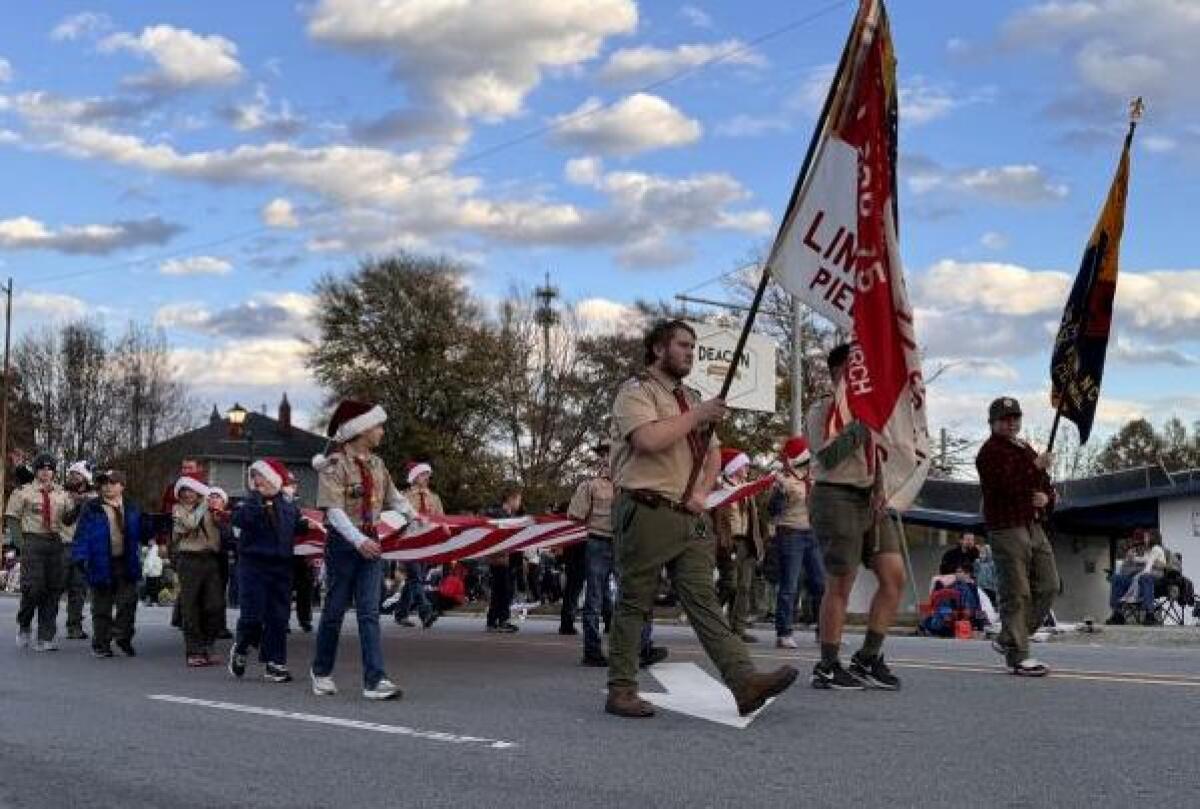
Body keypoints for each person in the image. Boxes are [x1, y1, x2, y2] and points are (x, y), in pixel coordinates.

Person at [605, 319, 798, 718]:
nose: (690, 353)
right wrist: (698, 414)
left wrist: (701, 493)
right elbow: (648, 440)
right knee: (634, 602)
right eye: (682, 346)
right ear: (659, 349)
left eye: (693, 347)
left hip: (687, 514)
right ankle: (621, 688)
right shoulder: (636, 391)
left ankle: (743, 681)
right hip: (645, 507)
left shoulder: (691, 397)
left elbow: (712, 451)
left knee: (704, 601)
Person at [806, 343, 905, 691]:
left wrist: (880, 489)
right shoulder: (823, 410)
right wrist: (862, 421)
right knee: (840, 582)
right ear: (837, 372)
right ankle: (828, 665)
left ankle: (867, 657)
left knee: (894, 577)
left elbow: (876, 456)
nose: (862, 375)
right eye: (854, 368)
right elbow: (829, 456)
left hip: (869, 501)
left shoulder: (871, 409)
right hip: (836, 496)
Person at [310, 399, 417, 701]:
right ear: (360, 430)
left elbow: (394, 498)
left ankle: (375, 679)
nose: (382, 431)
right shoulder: (334, 465)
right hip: (345, 546)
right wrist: (358, 540)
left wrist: (415, 516)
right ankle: (321, 672)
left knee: (369, 614)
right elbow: (333, 511)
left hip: (372, 545)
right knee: (334, 612)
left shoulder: (378, 464)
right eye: (378, 426)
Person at [975, 396, 1058, 677]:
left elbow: (1043, 483)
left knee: (1049, 584)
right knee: (1017, 590)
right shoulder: (988, 453)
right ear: (993, 423)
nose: (1011, 424)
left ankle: (1010, 637)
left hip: (1033, 524)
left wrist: (1046, 497)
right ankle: (1019, 655)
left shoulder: (1024, 448)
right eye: (1005, 419)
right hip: (1006, 526)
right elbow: (1005, 485)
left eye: (1015, 418)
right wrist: (1035, 466)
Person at [569, 440, 662, 668]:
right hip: (599, 542)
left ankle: (642, 649)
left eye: (610, 453)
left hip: (624, 543)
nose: (606, 458)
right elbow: (575, 515)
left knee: (633, 595)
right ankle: (593, 652)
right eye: (602, 454)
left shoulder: (632, 484)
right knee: (595, 598)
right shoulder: (591, 486)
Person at [230, 458, 310, 683]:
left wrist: (305, 526)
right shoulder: (248, 503)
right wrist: (257, 499)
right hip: (253, 565)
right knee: (252, 615)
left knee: (279, 616)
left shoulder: (288, 504)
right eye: (254, 476)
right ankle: (242, 646)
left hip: (281, 566)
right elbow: (240, 520)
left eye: (261, 476)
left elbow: (293, 526)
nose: (257, 480)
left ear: (274, 479)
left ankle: (275, 662)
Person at [72, 470, 151, 657]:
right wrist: (80, 557)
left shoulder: (132, 507)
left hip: (126, 562)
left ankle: (123, 636)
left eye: (112, 482)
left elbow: (144, 533)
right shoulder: (92, 507)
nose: (107, 486)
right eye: (103, 483)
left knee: (128, 603)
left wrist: (150, 526)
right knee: (101, 606)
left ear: (122, 486)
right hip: (101, 562)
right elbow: (81, 535)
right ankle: (101, 644)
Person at [6, 453, 71, 652]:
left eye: (50, 468)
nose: (46, 472)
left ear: (53, 472)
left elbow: (67, 520)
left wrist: (78, 508)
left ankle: (46, 636)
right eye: (42, 468)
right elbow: (12, 518)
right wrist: (21, 543)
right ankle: (24, 624)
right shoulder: (23, 491)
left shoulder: (62, 493)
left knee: (53, 590)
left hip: (55, 542)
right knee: (33, 588)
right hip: (32, 541)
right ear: (36, 471)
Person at [767, 436, 823, 649]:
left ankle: (823, 631)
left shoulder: (813, 478)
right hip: (791, 534)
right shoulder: (783, 480)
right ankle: (784, 633)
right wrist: (779, 493)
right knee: (790, 585)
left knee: (820, 584)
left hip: (812, 535)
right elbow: (772, 511)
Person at [171, 474, 226, 667]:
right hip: (189, 559)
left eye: (192, 490)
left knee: (215, 604)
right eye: (184, 490)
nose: (188, 494)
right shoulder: (177, 509)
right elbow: (191, 523)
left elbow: (224, 526)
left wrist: (218, 510)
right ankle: (194, 650)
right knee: (190, 606)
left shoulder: (212, 508)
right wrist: (205, 503)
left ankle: (208, 644)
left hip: (210, 558)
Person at [712, 448, 765, 643]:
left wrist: (759, 544)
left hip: (747, 542)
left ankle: (737, 629)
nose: (747, 468)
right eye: (744, 465)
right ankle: (711, 618)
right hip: (728, 542)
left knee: (744, 587)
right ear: (734, 467)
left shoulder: (747, 488)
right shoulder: (719, 488)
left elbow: (755, 520)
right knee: (730, 584)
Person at [395, 461, 442, 629]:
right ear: (414, 477)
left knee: (415, 579)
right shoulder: (404, 497)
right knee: (416, 576)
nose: (427, 478)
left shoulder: (434, 498)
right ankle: (425, 611)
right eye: (423, 475)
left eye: (428, 475)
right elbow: (397, 518)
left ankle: (401, 613)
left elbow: (440, 519)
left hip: (426, 542)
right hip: (408, 541)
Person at [60, 460, 96, 640]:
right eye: (72, 474)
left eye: (77, 474)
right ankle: (46, 626)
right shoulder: (62, 494)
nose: (73, 477)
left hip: (84, 548)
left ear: (85, 478)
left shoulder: (94, 497)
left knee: (79, 588)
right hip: (63, 545)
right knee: (55, 587)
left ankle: (74, 627)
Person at [484, 487, 523, 634]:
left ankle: (493, 620)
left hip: (504, 557)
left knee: (499, 590)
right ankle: (502, 620)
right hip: (499, 558)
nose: (519, 503)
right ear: (511, 499)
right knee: (504, 591)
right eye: (518, 499)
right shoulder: (500, 516)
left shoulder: (508, 516)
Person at [1107, 528, 1166, 625]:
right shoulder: (1131, 553)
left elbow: (1170, 565)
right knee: (1117, 578)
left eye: (1140, 543)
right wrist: (1132, 562)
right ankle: (1117, 613)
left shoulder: (1158, 549)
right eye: (1135, 544)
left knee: (1145, 577)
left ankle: (1149, 614)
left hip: (1153, 579)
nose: (1138, 546)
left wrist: (1158, 565)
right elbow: (1124, 571)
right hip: (1134, 578)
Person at [279, 472, 314, 633]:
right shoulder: (279, 504)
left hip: (304, 554)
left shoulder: (303, 504)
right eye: (288, 484)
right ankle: (283, 620)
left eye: (293, 484)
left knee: (305, 589)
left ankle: (305, 619)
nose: (291, 487)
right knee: (284, 589)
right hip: (286, 553)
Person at [974, 543, 998, 609]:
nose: (981, 555)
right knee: (982, 604)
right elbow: (975, 574)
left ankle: (993, 615)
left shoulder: (993, 564)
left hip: (991, 588)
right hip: (980, 588)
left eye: (984, 553)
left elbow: (995, 576)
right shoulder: (977, 562)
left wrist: (995, 587)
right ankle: (981, 617)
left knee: (991, 604)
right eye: (981, 553)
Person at [142, 539, 165, 605]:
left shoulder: (154, 549)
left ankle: (154, 600)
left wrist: (146, 571)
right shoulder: (149, 549)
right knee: (152, 587)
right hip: (153, 572)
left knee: (153, 587)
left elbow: (150, 562)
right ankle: (153, 600)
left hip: (153, 572)